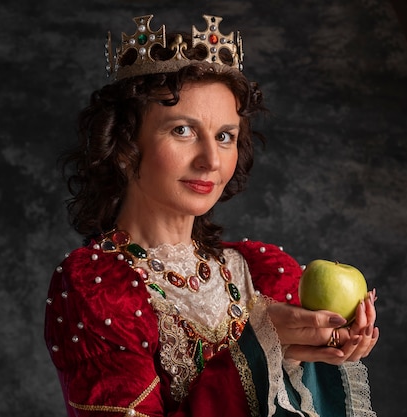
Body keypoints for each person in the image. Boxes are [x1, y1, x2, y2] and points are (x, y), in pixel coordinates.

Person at [44, 13, 379, 417]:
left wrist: (324, 350)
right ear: (124, 144)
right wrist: (258, 349)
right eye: (182, 131)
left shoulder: (266, 272)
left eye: (225, 136)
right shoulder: (98, 287)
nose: (210, 160)